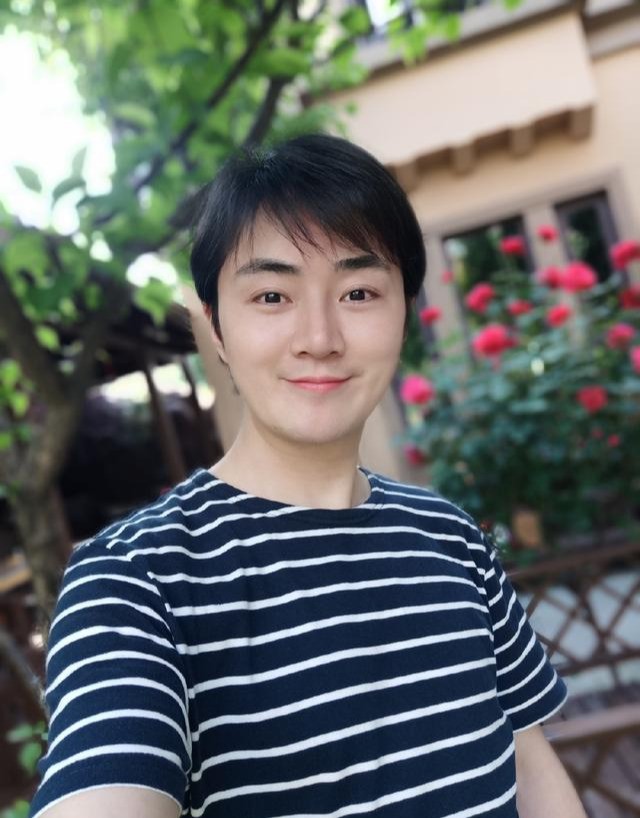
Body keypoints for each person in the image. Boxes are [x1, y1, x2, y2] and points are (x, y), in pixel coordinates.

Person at [29, 133, 587, 818]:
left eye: (359, 292)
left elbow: (532, 770)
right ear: (217, 328)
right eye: (272, 296)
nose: (319, 338)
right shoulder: (135, 581)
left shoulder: (452, 539)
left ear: (404, 314)